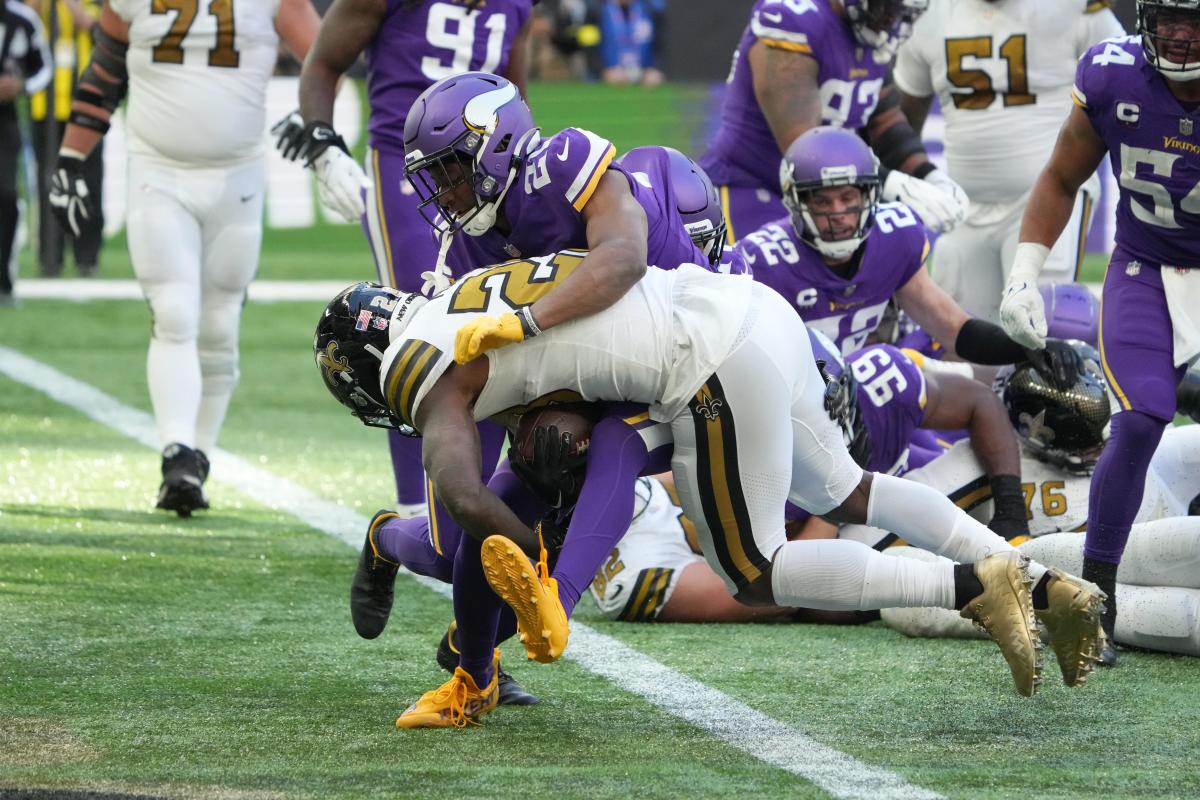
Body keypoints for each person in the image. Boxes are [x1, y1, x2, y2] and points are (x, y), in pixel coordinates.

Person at [317, 250, 1108, 727]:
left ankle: (975, 582)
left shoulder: (416, 370)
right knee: (848, 491)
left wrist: (542, 575)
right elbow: (589, 433)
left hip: (706, 365)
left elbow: (460, 492)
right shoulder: (467, 294)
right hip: (742, 312)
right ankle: (1036, 577)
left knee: (755, 571)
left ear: (361, 368)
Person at [47, 0, 319, 515]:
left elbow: (324, 56)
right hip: (157, 171)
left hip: (236, 176)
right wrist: (71, 156)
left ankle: (197, 459)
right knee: (174, 312)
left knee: (219, 325)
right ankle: (176, 452)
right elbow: (105, 68)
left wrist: (316, 119)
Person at [275, 0, 535, 517]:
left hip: (483, 176)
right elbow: (323, 62)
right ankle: (418, 508)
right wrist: (323, 145)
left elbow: (514, 95)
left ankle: (483, 494)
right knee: (418, 327)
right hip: (406, 167)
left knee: (492, 326)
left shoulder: (517, 6)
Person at [997, 0, 1200, 663]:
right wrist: (1025, 271)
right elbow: (1062, 175)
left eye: (1194, 20)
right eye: (1168, 15)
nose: (1177, 31)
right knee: (1141, 419)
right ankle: (1093, 601)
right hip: (1144, 269)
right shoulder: (1113, 77)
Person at [590, 330, 1033, 624]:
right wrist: (831, 510)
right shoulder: (631, 573)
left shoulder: (857, 386)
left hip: (863, 472)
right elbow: (778, 590)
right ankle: (1025, 578)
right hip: (824, 534)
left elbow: (977, 400)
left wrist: (1013, 514)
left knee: (1023, 414)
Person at [735, 125, 1085, 410]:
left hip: (865, 398)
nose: (838, 213)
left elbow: (954, 329)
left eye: (848, 198)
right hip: (792, 409)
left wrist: (1024, 348)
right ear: (796, 204)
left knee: (978, 418)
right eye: (823, 201)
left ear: (869, 196)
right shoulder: (761, 261)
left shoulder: (894, 236)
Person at [873, 359, 1200, 660]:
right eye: (1088, 446)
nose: (1098, 450)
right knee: (1173, 615)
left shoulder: (1149, 439)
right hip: (1081, 579)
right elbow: (882, 560)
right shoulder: (977, 460)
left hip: (1146, 524)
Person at [892, 0, 1124, 322]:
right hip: (962, 206)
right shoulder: (929, 12)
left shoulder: (1076, 9)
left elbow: (1130, 80)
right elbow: (901, 122)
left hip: (1048, 200)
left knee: (1042, 329)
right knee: (963, 338)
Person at [698, 0, 969, 245]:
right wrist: (894, 185)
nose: (891, 21)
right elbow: (809, 151)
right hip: (753, 189)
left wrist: (927, 175)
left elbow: (884, 122)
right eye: (887, 8)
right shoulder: (795, 18)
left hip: (827, 200)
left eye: (900, 12)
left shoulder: (869, 30)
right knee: (758, 294)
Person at [28, 0, 106, 279]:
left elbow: (89, 23)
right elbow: (28, 17)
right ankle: (50, 256)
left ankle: (87, 257)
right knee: (49, 183)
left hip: (86, 106)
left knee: (89, 181)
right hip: (46, 108)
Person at [0, 0, 52, 305]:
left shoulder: (23, 20)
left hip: (5, 121)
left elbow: (44, 67)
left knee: (6, 196)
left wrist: (21, 85)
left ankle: (4, 278)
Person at [597, 0, 663, 87]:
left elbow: (660, 43)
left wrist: (655, 69)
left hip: (644, 76)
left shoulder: (651, 9)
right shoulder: (597, 9)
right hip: (607, 76)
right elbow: (589, 45)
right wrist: (602, 70)